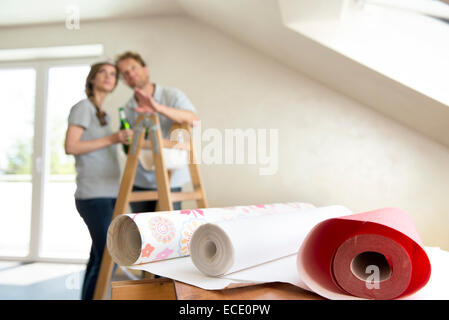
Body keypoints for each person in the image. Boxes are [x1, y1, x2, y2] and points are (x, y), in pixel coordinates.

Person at [65, 62, 133, 300]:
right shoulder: (83, 107)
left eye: (113, 74)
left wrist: (121, 141)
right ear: (92, 78)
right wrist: (113, 138)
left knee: (98, 256)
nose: (108, 76)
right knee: (108, 255)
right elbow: (71, 146)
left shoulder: (103, 113)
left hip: (109, 193)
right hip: (93, 196)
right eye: (103, 72)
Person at [115, 51, 199, 213]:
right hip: (140, 181)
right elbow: (130, 145)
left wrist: (158, 108)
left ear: (145, 69)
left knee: (169, 232)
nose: (131, 74)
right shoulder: (127, 108)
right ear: (124, 80)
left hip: (171, 179)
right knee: (140, 233)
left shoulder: (172, 95)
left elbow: (193, 119)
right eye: (125, 73)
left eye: (134, 67)